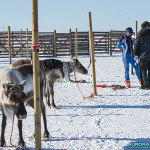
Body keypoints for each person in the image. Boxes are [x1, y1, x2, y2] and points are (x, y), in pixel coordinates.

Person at [134, 21, 150, 89]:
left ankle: (145, 85)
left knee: (143, 69)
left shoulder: (140, 33)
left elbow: (137, 45)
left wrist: (136, 54)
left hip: (143, 56)